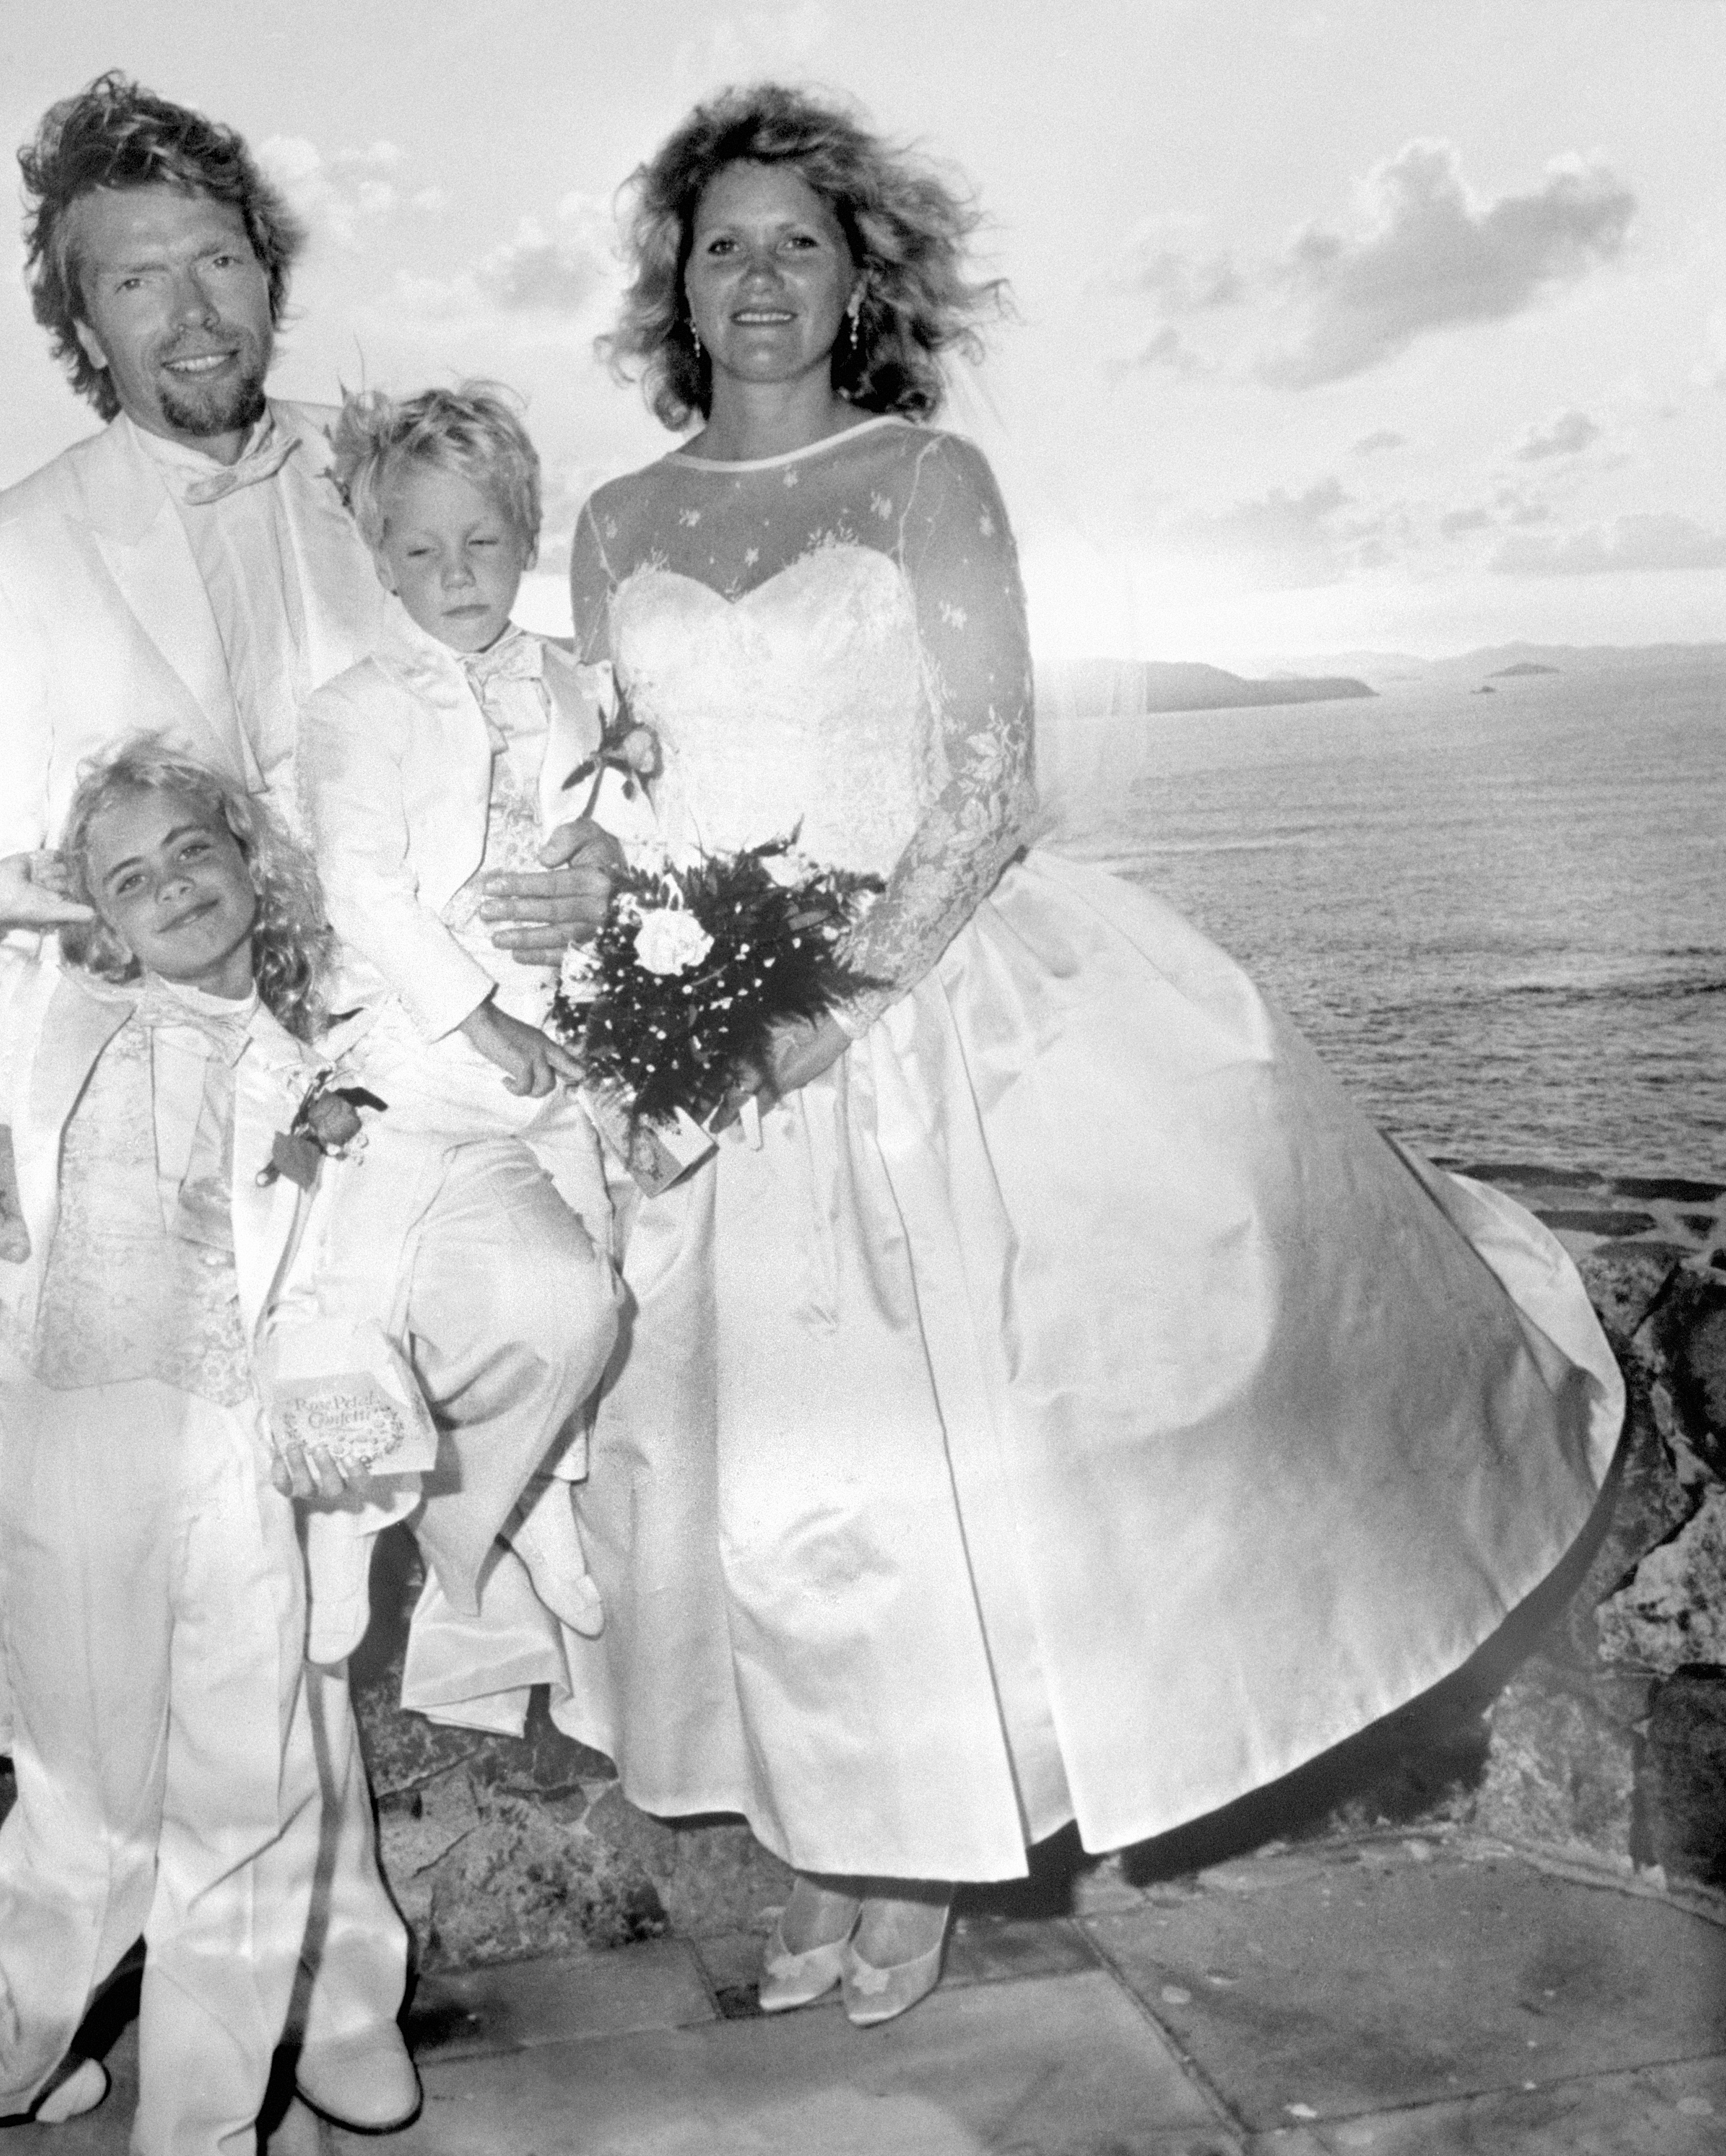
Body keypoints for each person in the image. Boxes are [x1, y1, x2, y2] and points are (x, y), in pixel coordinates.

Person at [544, 82, 1623, 2029]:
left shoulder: (920, 478)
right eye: (724, 243)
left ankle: (924, 1879)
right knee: (775, 1489)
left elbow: (982, 778)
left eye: (800, 239)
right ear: (674, 284)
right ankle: (836, 1849)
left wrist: (828, 1004)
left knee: (937, 1475)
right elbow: (606, 800)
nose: (760, 276)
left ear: (858, 273)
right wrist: (639, 995)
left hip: (914, 1007)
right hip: (709, 1042)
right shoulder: (614, 523)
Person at [0, 73, 612, 2129]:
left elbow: (486, 719)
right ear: (78, 315)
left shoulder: (369, 488)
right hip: (160, 1125)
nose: (190, 310)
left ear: (268, 270)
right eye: (136, 278)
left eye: (218, 260)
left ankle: (448, 1656)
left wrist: (567, 886)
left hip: (390, 1087)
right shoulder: (11, 548)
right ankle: (301, 1993)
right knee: (213, 1604)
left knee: (530, 1341)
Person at [0, 747, 405, 2150]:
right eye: (129, 879)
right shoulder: (44, 1007)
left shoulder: (336, 1044)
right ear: (101, 919)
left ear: (250, 855)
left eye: (195, 850)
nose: (174, 888)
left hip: (241, 1476)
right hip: (78, 1467)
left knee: (237, 1831)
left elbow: (357, 1266)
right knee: (87, 1831)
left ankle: (198, 2133)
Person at [298, 385, 656, 1707]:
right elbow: (362, 885)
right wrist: (476, 1012)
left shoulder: (580, 683)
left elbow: (629, 828)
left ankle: (526, 1500)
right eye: (420, 552)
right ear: (379, 554)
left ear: (526, 531)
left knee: (588, 1285)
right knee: (360, 1286)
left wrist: (607, 854)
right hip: (417, 1046)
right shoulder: (354, 707)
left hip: (554, 1052)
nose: (455, 577)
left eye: (484, 545)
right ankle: (350, 1521)